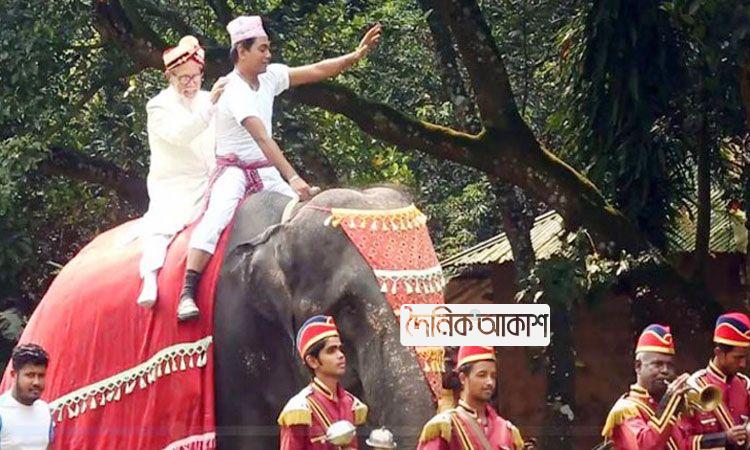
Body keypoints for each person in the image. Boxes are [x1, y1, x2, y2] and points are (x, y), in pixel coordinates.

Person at [176, 15, 382, 321]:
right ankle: (187, 291)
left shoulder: (270, 76)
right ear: (241, 51)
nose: (268, 55)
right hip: (234, 170)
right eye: (262, 49)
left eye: (268, 48)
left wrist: (354, 56)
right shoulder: (234, 89)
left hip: (264, 169)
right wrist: (294, 178)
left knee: (300, 214)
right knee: (216, 218)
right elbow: (261, 137)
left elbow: (316, 70)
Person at [137, 35, 227, 307]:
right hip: (175, 185)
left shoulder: (207, 98)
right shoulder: (158, 106)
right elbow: (180, 135)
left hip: (212, 176)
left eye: (195, 77)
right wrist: (211, 106)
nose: (190, 84)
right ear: (169, 76)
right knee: (163, 225)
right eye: (183, 78)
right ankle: (150, 277)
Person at [600, 324, 723, 450]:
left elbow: (684, 445)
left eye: (670, 365)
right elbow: (645, 446)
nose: (665, 370)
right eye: (658, 364)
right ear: (638, 366)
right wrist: (668, 405)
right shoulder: (626, 409)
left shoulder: (670, 406)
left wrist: (725, 438)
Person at [277, 315, 368, 449]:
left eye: (340, 349)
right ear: (312, 361)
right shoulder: (300, 410)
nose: (340, 355)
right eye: (331, 351)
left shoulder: (352, 404)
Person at [416, 346, 525, 450]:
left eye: (493, 376)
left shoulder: (506, 431)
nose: (490, 382)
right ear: (463, 378)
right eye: (482, 375)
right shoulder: (445, 427)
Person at [682, 313, 750, 448]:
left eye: (745, 357)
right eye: (737, 358)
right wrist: (723, 438)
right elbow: (683, 442)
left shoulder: (745, 384)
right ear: (719, 353)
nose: (743, 364)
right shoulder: (693, 386)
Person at [0, 344, 53, 449]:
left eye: (41, 375)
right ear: (14, 375)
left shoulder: (45, 411)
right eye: (30, 375)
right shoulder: (2, 411)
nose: (36, 382)